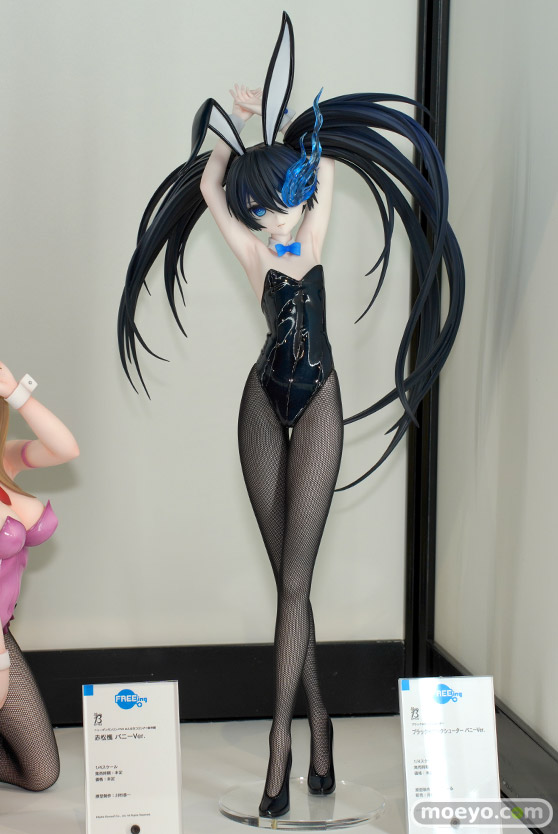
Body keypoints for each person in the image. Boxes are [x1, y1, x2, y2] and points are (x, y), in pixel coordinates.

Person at [118, 13, 464, 817]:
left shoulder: (312, 234)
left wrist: (273, 132)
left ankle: (282, 749)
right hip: (259, 401)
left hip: (318, 404)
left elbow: (327, 167)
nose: (270, 217)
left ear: (297, 193)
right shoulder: (251, 252)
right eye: (261, 207)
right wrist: (235, 128)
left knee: (295, 583)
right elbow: (212, 187)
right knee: (289, 584)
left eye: (279, 201)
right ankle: (321, 727)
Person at [0, 361, 79, 790]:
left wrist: (17, 394)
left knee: (41, 772)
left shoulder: (5, 460)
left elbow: (65, 449)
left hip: (2, 633)